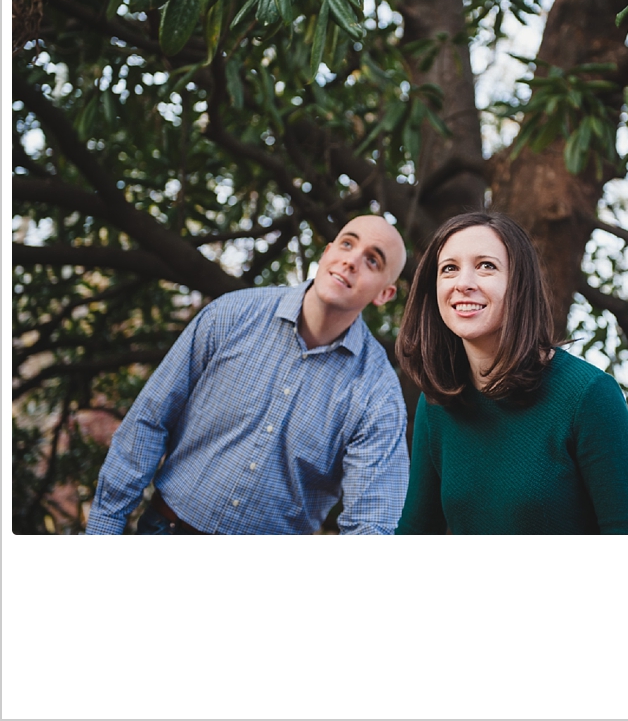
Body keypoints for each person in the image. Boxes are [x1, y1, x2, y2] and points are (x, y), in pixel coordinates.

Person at [87, 215, 411, 534]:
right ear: (327, 252)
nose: (350, 261)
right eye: (346, 244)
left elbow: (371, 521)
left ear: (384, 294)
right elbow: (149, 420)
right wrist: (104, 530)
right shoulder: (231, 314)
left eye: (372, 261)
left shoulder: (377, 393)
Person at [394, 211, 628, 534]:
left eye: (486, 266)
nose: (464, 284)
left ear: (519, 283)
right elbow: (416, 533)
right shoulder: (439, 402)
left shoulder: (589, 396)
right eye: (449, 269)